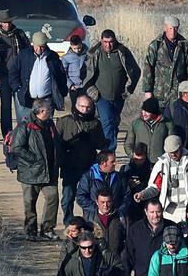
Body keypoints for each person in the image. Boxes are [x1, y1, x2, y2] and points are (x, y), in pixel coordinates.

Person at [83, 28, 140, 147]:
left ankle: (109, 145)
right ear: (101, 40)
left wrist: (128, 89)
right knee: (107, 123)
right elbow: (85, 74)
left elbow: (135, 71)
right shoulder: (95, 53)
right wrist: (92, 91)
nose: (108, 45)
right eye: (105, 42)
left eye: (110, 42)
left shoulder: (122, 52)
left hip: (119, 96)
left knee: (114, 123)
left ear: (114, 41)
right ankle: (109, 151)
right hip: (101, 96)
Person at [12, 98, 59, 240]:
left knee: (53, 197)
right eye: (48, 110)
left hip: (48, 171)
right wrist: (34, 160)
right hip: (30, 173)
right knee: (29, 202)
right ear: (41, 111)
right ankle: (30, 230)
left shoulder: (50, 125)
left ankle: (47, 229)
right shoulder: (24, 127)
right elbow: (16, 148)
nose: (50, 112)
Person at [56, 94, 106, 224]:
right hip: (70, 166)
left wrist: (91, 139)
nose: (85, 110)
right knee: (67, 198)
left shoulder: (95, 123)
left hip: (88, 165)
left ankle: (89, 223)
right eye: (82, 106)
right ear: (76, 106)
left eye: (88, 107)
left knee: (90, 197)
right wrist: (67, 146)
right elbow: (55, 144)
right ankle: (69, 224)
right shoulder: (64, 121)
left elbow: (102, 144)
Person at [0, 10, 32, 137]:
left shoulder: (19, 35)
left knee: (22, 105)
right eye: (4, 22)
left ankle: (22, 132)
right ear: (0, 23)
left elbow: (28, 53)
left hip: (19, 76)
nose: (6, 25)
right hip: (4, 76)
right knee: (6, 107)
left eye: (8, 22)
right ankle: (6, 134)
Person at [149, 135, 188, 224]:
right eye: (170, 152)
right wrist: (143, 194)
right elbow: (154, 186)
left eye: (175, 151)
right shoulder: (161, 163)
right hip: (168, 212)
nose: (173, 155)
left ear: (181, 146)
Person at [141, 16, 188, 107]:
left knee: (178, 120)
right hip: (159, 94)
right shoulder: (156, 45)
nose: (173, 31)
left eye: (175, 28)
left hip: (178, 94)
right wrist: (148, 91)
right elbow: (148, 68)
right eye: (170, 28)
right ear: (165, 28)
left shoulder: (184, 45)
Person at [15, 31, 70, 117]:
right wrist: (17, 88)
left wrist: (62, 92)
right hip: (27, 98)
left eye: (42, 47)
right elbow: (14, 72)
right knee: (27, 126)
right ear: (33, 44)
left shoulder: (53, 57)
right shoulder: (24, 55)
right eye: (37, 46)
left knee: (46, 127)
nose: (39, 49)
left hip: (46, 99)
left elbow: (61, 76)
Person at [76, 150, 131, 219]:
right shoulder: (88, 177)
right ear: (103, 163)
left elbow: (127, 195)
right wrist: (98, 209)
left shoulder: (119, 177)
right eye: (112, 162)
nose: (115, 163)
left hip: (115, 217)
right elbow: (80, 197)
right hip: (94, 218)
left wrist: (120, 210)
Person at [124, 96, 173, 164]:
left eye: (147, 111)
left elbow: (172, 143)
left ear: (154, 111)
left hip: (160, 162)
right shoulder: (136, 123)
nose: (144, 113)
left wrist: (166, 158)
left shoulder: (166, 124)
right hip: (140, 163)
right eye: (143, 110)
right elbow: (128, 143)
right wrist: (133, 155)